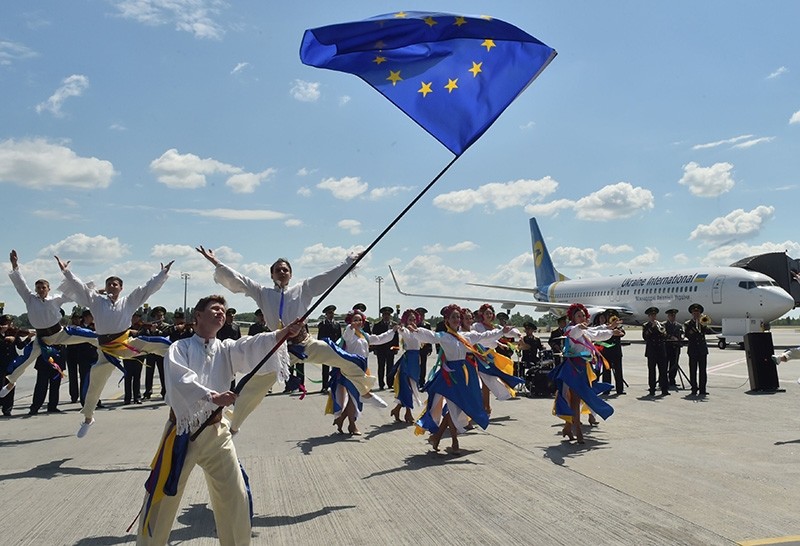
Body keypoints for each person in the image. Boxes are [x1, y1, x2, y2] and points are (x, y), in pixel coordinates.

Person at [135, 295, 305, 546]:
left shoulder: (226, 348)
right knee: (163, 497)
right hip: (183, 433)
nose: (221, 313)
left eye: (223, 310)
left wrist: (282, 334)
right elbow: (179, 381)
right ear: (198, 316)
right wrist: (212, 397)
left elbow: (252, 345)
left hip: (217, 433)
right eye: (214, 308)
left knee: (236, 497)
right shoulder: (179, 349)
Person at [196, 247, 385, 436]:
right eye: (278, 270)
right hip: (279, 350)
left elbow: (327, 277)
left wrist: (349, 263)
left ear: (291, 274)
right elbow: (240, 279)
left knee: (346, 359)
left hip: (305, 343)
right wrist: (216, 262)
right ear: (271, 274)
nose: (282, 272)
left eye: (285, 269)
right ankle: (234, 427)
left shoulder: (303, 289)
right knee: (251, 388)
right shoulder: (262, 292)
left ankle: (365, 392)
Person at [56, 256, 173, 437]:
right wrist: (66, 271)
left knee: (160, 344)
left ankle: (185, 355)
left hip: (125, 344)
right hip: (106, 350)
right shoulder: (95, 300)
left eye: (115, 284)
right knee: (95, 385)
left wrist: (162, 273)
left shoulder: (129, 301)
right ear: (105, 287)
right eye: (109, 284)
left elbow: (147, 289)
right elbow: (79, 286)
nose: (112, 286)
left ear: (121, 288)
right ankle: (88, 418)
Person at [405, 304, 513, 454]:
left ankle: (437, 437)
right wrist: (416, 331)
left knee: (459, 408)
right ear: (447, 320)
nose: (456, 319)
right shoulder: (444, 336)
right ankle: (454, 442)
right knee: (452, 407)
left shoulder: (466, 336)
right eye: (453, 317)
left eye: (458, 317)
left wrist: (502, 331)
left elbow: (485, 336)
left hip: (464, 377)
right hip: (449, 377)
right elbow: (430, 336)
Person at [1, 250, 98, 398]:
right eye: (38, 288)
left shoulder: (56, 299)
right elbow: (20, 285)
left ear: (48, 289)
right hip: (41, 339)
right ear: (35, 289)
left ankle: (115, 347)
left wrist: (94, 290)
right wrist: (15, 266)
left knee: (91, 336)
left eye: (43, 287)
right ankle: (11, 382)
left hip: (59, 334)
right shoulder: (30, 298)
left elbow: (74, 294)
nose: (40, 290)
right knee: (25, 361)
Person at [550, 303, 619, 444]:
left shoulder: (584, 330)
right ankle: (578, 431)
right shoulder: (571, 328)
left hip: (583, 367)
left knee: (576, 399)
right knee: (575, 399)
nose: (581, 318)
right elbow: (574, 332)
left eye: (583, 315)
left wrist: (611, 331)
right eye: (578, 316)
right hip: (573, 368)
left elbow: (596, 333)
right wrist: (579, 327)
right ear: (573, 318)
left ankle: (568, 428)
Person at [329, 309, 397, 435]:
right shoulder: (349, 333)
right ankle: (352, 425)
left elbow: (379, 339)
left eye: (360, 320)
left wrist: (392, 331)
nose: (358, 322)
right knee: (355, 396)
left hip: (362, 369)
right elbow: (346, 335)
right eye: (355, 320)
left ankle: (342, 420)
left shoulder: (364, 335)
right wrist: (351, 326)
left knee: (354, 398)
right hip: (350, 369)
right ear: (350, 321)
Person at [472, 303, 524, 417]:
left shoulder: (494, 327)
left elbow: (507, 331)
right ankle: (485, 407)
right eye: (486, 313)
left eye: (490, 313)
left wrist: (518, 334)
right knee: (485, 382)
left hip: (491, 357)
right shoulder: (477, 326)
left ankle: (486, 406)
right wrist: (498, 342)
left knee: (491, 380)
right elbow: (484, 338)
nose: (489, 315)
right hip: (480, 356)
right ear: (482, 314)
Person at [390, 309, 424, 424]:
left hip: (415, 360)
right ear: (406, 320)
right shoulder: (405, 331)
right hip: (408, 360)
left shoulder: (418, 331)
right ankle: (408, 413)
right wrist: (401, 327)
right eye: (410, 319)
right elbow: (402, 331)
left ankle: (397, 409)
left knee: (412, 385)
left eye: (414, 319)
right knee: (408, 386)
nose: (413, 321)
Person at [1, 314, 31, 416]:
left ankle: (7, 409)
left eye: (10, 323)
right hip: (1, 363)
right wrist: (4, 340)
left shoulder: (14, 333)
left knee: (10, 384)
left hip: (11, 363)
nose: (10, 325)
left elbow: (20, 345)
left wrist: (28, 338)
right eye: (7, 323)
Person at [684, 303, 713, 396]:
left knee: (703, 371)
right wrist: (695, 328)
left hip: (702, 349)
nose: (696, 314)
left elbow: (709, 331)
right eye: (694, 312)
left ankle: (702, 389)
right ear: (692, 313)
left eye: (698, 312)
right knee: (693, 370)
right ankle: (694, 389)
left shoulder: (702, 322)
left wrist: (703, 324)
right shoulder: (688, 324)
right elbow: (688, 335)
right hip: (693, 349)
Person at [142, 306, 170, 401]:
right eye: (157, 316)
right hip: (151, 352)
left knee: (163, 373)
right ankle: (148, 392)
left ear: (163, 317)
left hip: (161, 353)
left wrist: (157, 331)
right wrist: (149, 330)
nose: (159, 318)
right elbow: (145, 336)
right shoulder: (150, 326)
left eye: (161, 316)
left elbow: (166, 336)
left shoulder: (166, 326)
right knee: (149, 372)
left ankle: (164, 391)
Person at [642, 307, 669, 397]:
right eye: (652, 315)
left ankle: (664, 389)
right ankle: (652, 389)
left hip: (661, 350)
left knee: (663, 371)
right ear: (649, 316)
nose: (653, 317)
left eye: (654, 315)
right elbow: (645, 337)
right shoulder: (646, 325)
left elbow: (665, 336)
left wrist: (661, 331)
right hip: (651, 351)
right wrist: (652, 328)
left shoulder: (661, 324)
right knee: (652, 371)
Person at [372, 306, 399, 390]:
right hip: (380, 349)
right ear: (382, 315)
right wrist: (375, 349)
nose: (386, 316)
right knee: (381, 367)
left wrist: (396, 348)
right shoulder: (377, 325)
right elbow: (375, 337)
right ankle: (381, 384)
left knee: (390, 367)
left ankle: (390, 383)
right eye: (384, 314)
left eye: (388, 314)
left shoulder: (394, 325)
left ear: (390, 315)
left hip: (390, 349)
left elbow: (396, 337)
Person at [316, 304, 341, 394]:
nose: (331, 314)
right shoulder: (322, 324)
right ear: (326, 314)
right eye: (329, 313)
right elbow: (320, 337)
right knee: (325, 369)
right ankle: (325, 386)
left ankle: (335, 384)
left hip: (335, 349)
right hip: (326, 349)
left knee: (335, 368)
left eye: (332, 313)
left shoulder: (337, 325)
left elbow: (339, 338)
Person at [601, 310, 626, 395]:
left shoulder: (619, 327)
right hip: (607, 352)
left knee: (618, 371)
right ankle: (606, 389)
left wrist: (616, 328)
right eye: (610, 316)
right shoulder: (605, 327)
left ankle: (620, 389)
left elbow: (622, 334)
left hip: (616, 352)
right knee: (606, 372)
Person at [664, 308, 684, 390]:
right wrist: (671, 337)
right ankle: (664, 381)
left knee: (674, 364)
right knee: (665, 365)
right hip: (667, 347)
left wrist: (681, 337)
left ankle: (672, 380)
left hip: (676, 348)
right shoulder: (664, 325)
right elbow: (663, 334)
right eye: (671, 315)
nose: (673, 317)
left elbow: (682, 334)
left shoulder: (679, 325)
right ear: (668, 316)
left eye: (674, 315)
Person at [415, 307, 432, 386]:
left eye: (423, 315)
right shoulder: (414, 325)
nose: (421, 316)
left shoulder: (427, 325)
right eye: (420, 315)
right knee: (415, 365)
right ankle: (416, 380)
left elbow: (430, 337)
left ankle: (422, 381)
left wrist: (430, 348)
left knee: (423, 365)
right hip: (415, 348)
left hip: (424, 348)